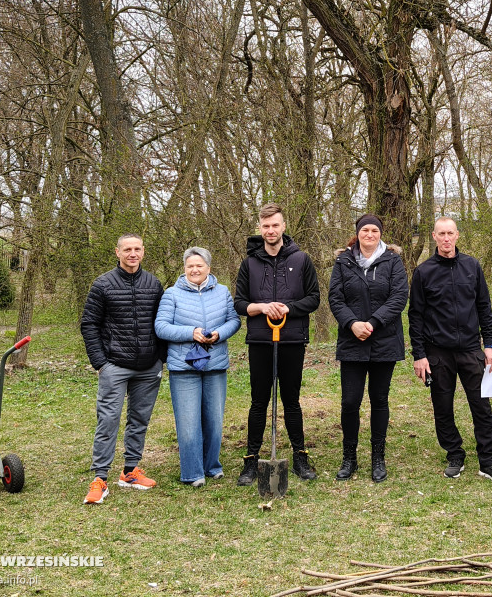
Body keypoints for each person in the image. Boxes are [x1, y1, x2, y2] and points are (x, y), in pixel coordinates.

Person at [408, 217, 492, 484]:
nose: (446, 238)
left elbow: (484, 308)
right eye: (441, 234)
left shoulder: (472, 266)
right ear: (433, 236)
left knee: (482, 407)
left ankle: (488, 461)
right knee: (443, 407)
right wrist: (419, 355)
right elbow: (415, 316)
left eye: (450, 233)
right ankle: (454, 454)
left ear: (457, 235)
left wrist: (489, 345)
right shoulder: (424, 272)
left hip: (470, 349)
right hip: (437, 352)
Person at [234, 203, 321, 485]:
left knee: (291, 401)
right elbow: (239, 303)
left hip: (292, 338)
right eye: (265, 226)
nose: (270, 230)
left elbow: (314, 299)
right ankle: (250, 461)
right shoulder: (249, 264)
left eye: (275, 225)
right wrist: (261, 307)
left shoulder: (302, 260)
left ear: (283, 226)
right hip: (260, 339)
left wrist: (286, 308)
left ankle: (300, 457)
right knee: (259, 401)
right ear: (260, 229)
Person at [80, 234, 165, 505]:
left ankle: (130, 471)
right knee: (108, 420)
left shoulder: (154, 284)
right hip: (114, 366)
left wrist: (160, 358)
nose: (132, 253)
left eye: (137, 249)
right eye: (127, 249)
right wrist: (101, 363)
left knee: (139, 419)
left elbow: (162, 322)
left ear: (143, 251)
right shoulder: (102, 284)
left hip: (148, 367)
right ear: (117, 252)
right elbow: (89, 324)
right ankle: (100, 478)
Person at [328, 214, 409, 482]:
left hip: (383, 340)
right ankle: (349, 458)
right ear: (358, 233)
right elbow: (335, 297)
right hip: (352, 340)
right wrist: (352, 324)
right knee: (350, 401)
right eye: (365, 230)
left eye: (375, 230)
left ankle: (378, 458)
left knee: (379, 399)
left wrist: (373, 323)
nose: (370, 234)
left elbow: (399, 297)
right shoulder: (343, 261)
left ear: (380, 234)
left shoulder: (393, 261)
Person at [155, 247, 241, 487]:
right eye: (190, 266)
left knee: (214, 421)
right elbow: (161, 327)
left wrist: (219, 333)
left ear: (208, 269)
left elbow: (234, 321)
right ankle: (193, 473)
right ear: (184, 269)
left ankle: (212, 466)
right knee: (188, 423)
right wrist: (190, 333)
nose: (194, 269)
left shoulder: (222, 292)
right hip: (184, 368)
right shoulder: (171, 294)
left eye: (199, 265)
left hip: (215, 364)